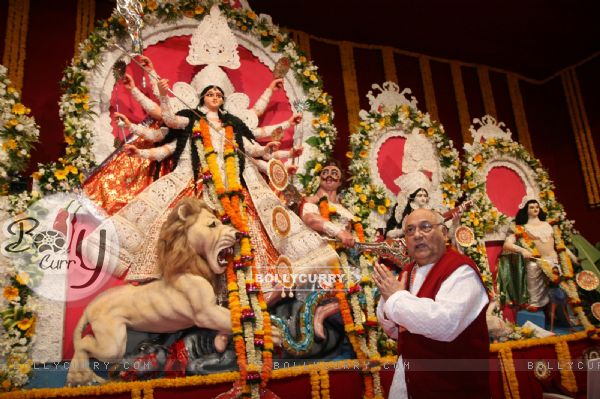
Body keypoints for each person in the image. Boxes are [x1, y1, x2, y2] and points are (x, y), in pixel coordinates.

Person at [373, 208, 490, 398]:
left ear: (444, 233)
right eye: (410, 231)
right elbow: (393, 331)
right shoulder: (407, 272)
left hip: (454, 387)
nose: (417, 235)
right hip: (411, 379)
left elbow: (445, 324)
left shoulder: (461, 271)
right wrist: (388, 304)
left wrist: (395, 299)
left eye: (425, 227)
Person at [502, 199, 578, 312]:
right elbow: (507, 244)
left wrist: (572, 256)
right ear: (526, 210)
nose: (535, 209)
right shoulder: (522, 228)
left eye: (537, 206)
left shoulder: (549, 224)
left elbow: (560, 244)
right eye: (531, 207)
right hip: (536, 261)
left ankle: (567, 313)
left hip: (554, 261)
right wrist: (522, 250)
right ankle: (536, 306)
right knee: (532, 272)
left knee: (563, 287)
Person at [300, 160, 356, 248]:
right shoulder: (310, 200)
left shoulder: (345, 211)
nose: (329, 175)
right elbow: (311, 220)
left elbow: (348, 238)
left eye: (334, 173)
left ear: (340, 182)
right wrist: (339, 232)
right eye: (325, 172)